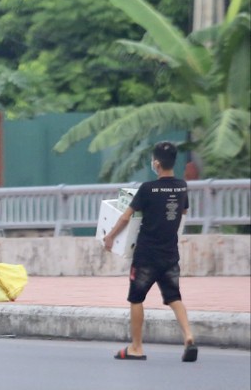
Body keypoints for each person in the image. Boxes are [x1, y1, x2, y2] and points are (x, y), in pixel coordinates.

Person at [104, 141, 197, 362]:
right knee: (174, 297)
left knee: (136, 298)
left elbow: (126, 217)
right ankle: (190, 337)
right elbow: (182, 211)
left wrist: (110, 237)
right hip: (170, 254)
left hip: (146, 255)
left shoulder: (147, 189)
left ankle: (136, 347)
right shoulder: (182, 186)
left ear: (156, 163)